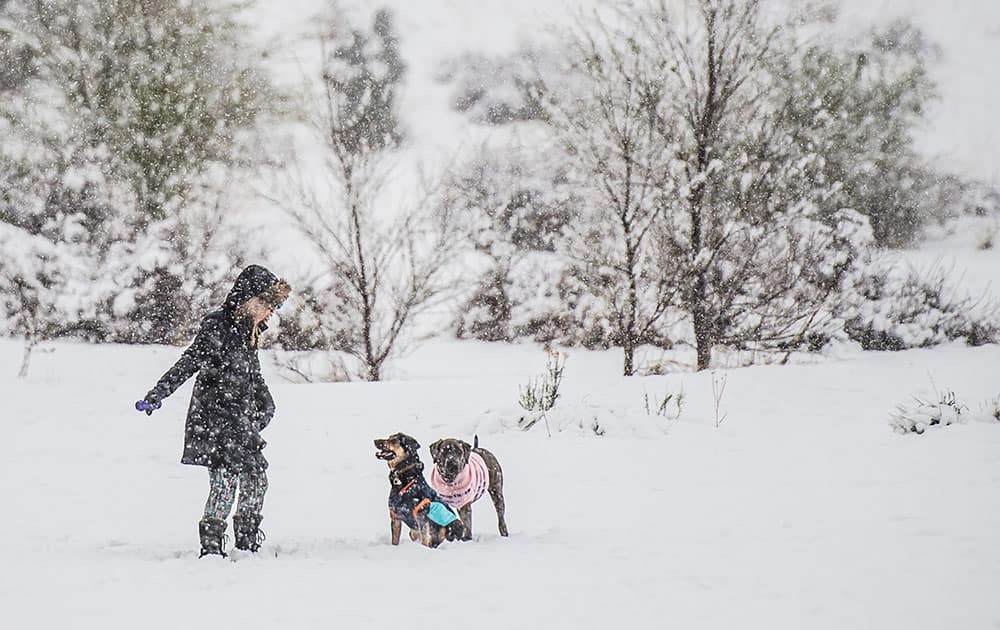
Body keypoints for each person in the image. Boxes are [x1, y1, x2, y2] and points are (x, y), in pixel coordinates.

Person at [135, 264, 291, 558]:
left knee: (257, 479)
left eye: (276, 306)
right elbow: (188, 363)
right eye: (270, 305)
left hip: (241, 423)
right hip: (216, 421)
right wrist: (157, 395)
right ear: (252, 301)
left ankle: (246, 542)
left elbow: (253, 376)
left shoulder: (250, 332)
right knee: (225, 483)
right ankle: (211, 545)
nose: (272, 312)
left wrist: (267, 405)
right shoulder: (218, 328)